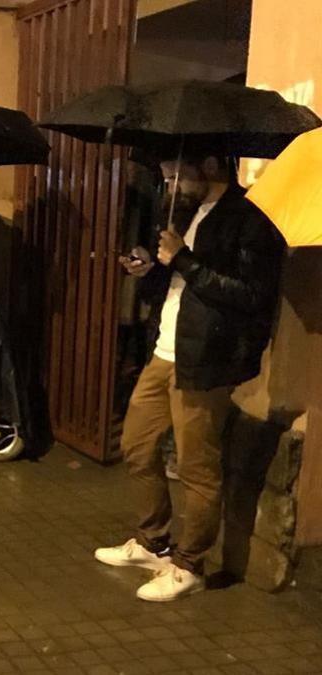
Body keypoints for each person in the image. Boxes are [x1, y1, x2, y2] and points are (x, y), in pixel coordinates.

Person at [95, 154, 284, 602]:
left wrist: (184, 260)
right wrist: (152, 266)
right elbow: (181, 284)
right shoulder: (190, 211)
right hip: (166, 349)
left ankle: (188, 565)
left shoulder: (250, 220)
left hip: (206, 360)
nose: (170, 181)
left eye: (176, 172)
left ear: (213, 165)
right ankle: (153, 542)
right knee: (136, 445)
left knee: (198, 466)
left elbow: (252, 295)